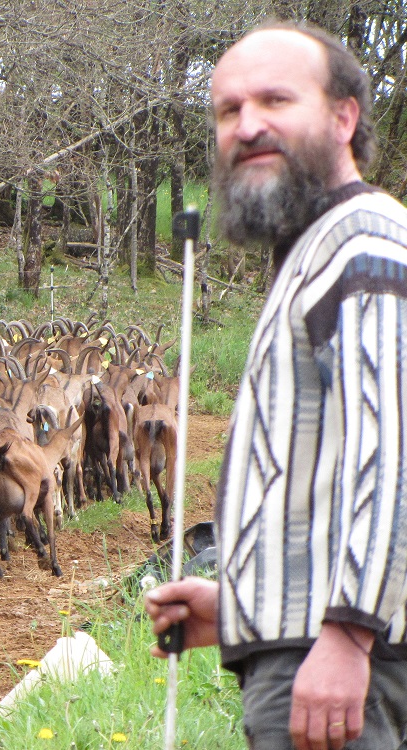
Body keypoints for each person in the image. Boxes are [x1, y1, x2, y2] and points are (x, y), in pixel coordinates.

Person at [145, 20, 407, 750]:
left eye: (275, 100)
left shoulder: (363, 244)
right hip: (304, 649)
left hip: (340, 666)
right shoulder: (316, 251)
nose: (248, 124)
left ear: (344, 117)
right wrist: (242, 607)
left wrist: (350, 633)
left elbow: (392, 454)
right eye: (229, 110)